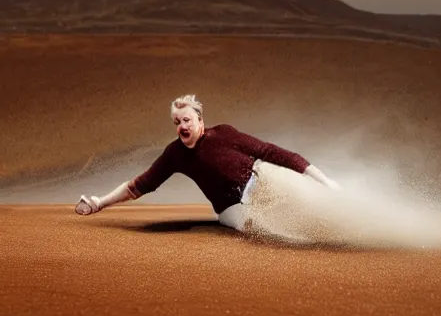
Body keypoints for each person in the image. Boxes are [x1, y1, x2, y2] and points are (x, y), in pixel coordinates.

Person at [75, 94, 341, 236]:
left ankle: (336, 216)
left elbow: (270, 151)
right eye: (177, 122)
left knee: (291, 192)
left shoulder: (224, 133)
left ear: (200, 119)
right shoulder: (175, 154)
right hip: (230, 208)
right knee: (254, 227)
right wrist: (100, 202)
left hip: (259, 183)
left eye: (186, 120)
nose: (181, 127)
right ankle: (305, 239)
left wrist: (324, 181)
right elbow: (139, 185)